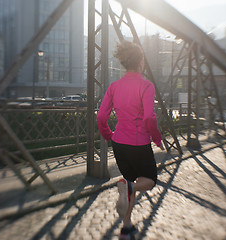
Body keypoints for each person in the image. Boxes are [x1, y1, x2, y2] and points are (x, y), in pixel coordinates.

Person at [97, 40, 165, 240]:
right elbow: (148, 118)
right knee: (149, 181)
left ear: (125, 63)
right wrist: (157, 138)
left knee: (127, 182)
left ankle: (126, 228)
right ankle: (131, 188)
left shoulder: (114, 86)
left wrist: (109, 135)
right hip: (139, 144)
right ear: (141, 62)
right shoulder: (146, 86)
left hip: (119, 143)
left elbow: (101, 117)